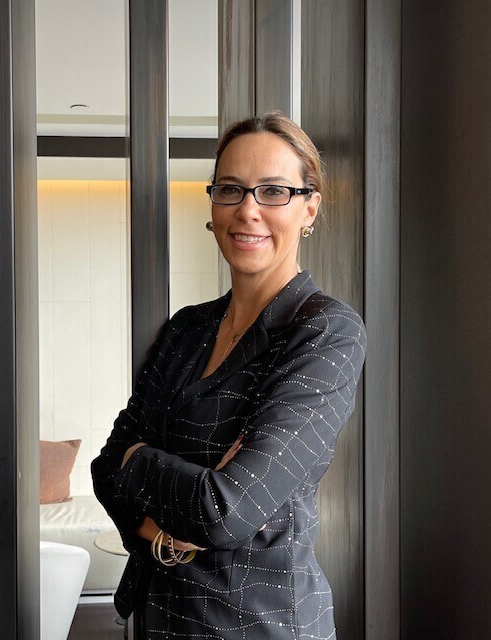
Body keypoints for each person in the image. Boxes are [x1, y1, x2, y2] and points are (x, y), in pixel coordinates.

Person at [92, 111, 367, 639]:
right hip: (161, 621)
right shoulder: (186, 329)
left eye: (274, 191)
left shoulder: (325, 331)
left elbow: (224, 511)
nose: (247, 210)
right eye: (230, 189)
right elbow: (105, 470)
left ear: (309, 208)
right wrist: (168, 532)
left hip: (260, 625)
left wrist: (138, 459)